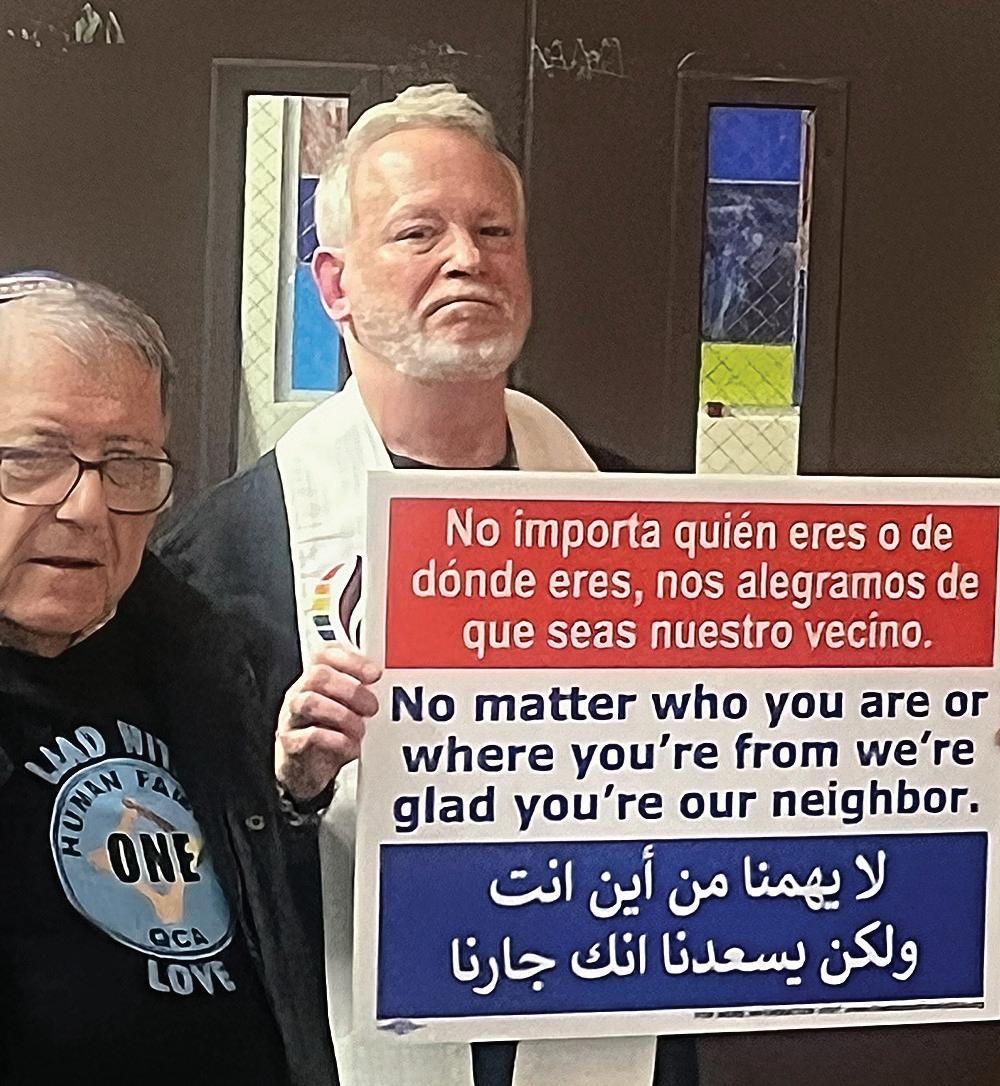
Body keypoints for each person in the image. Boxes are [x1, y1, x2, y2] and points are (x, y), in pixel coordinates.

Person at [156, 85, 695, 1086]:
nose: (467, 258)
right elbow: (190, 883)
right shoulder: (216, 563)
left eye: (494, 231)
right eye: (417, 232)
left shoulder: (649, 527)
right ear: (333, 284)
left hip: (600, 991)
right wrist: (292, 788)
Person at [0, 273, 337, 1086]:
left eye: (127, 465)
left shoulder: (224, 661)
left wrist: (298, 801)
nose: (85, 507)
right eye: (34, 458)